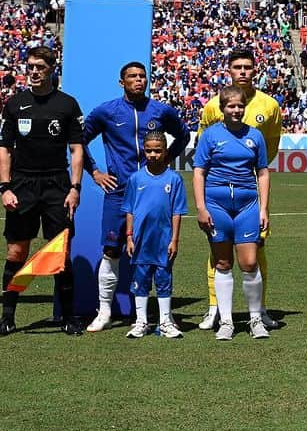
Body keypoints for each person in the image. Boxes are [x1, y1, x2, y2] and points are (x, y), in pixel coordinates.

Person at [83, 61, 189, 333]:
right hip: (119, 192)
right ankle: (104, 311)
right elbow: (78, 140)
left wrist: (166, 161)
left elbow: (183, 134)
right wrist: (94, 171)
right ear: (122, 82)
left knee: (157, 251)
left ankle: (153, 316)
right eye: (132, 76)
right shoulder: (106, 111)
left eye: (142, 76)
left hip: (153, 192)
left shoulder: (161, 110)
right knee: (111, 249)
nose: (139, 80)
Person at [0, 46, 85, 336]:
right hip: (22, 185)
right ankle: (7, 315)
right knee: (16, 251)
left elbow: (76, 150)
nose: (34, 71)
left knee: (61, 252)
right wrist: (4, 188)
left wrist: (75, 188)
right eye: (30, 66)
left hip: (57, 185)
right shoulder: (14, 104)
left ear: (51, 68)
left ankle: (69, 317)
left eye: (40, 67)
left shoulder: (67, 105)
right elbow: (5, 150)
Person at [197, 49, 282, 332]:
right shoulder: (210, 111)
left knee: (254, 255)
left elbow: (267, 156)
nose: (243, 71)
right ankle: (219, 313)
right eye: (237, 67)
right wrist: (201, 205)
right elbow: (201, 162)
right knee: (220, 258)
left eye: (248, 66)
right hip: (218, 199)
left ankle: (259, 313)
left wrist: (263, 204)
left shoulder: (269, 107)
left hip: (248, 197)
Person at [121, 130, 187, 339]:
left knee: (163, 278)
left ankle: (165, 321)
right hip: (141, 240)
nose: (152, 155)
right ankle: (141, 321)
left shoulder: (174, 179)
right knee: (140, 279)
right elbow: (129, 210)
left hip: (163, 240)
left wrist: (174, 240)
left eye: (157, 151)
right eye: (148, 150)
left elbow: (177, 212)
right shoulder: (136, 178)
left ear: (165, 152)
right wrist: (129, 237)